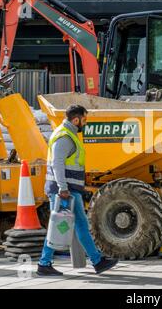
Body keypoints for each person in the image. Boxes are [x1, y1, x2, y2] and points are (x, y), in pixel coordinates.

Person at [37, 105, 118, 276]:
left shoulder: (68, 134)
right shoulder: (65, 137)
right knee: (60, 225)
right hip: (65, 190)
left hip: (69, 189)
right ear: (76, 120)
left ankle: (97, 261)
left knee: (76, 224)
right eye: (84, 120)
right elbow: (57, 164)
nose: (85, 123)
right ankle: (45, 263)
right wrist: (63, 188)